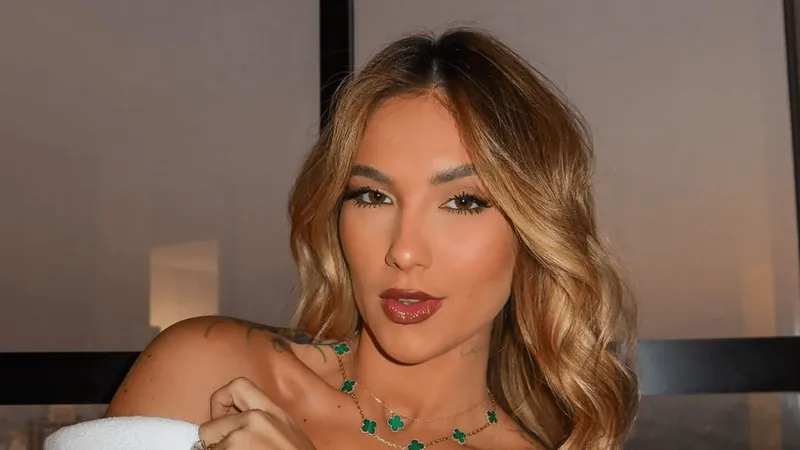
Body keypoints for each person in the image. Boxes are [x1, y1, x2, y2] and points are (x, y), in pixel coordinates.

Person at [106, 27, 639, 450]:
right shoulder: (209, 372)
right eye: (372, 196)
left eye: (463, 202)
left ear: (533, 232)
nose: (403, 251)